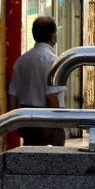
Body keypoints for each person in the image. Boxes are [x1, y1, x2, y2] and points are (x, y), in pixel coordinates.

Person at [7, 16, 66, 146]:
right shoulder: (54, 61)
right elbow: (51, 96)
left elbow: (12, 94)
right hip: (48, 119)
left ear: (34, 35)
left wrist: (14, 123)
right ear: (54, 37)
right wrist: (58, 124)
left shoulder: (21, 60)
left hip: (27, 118)